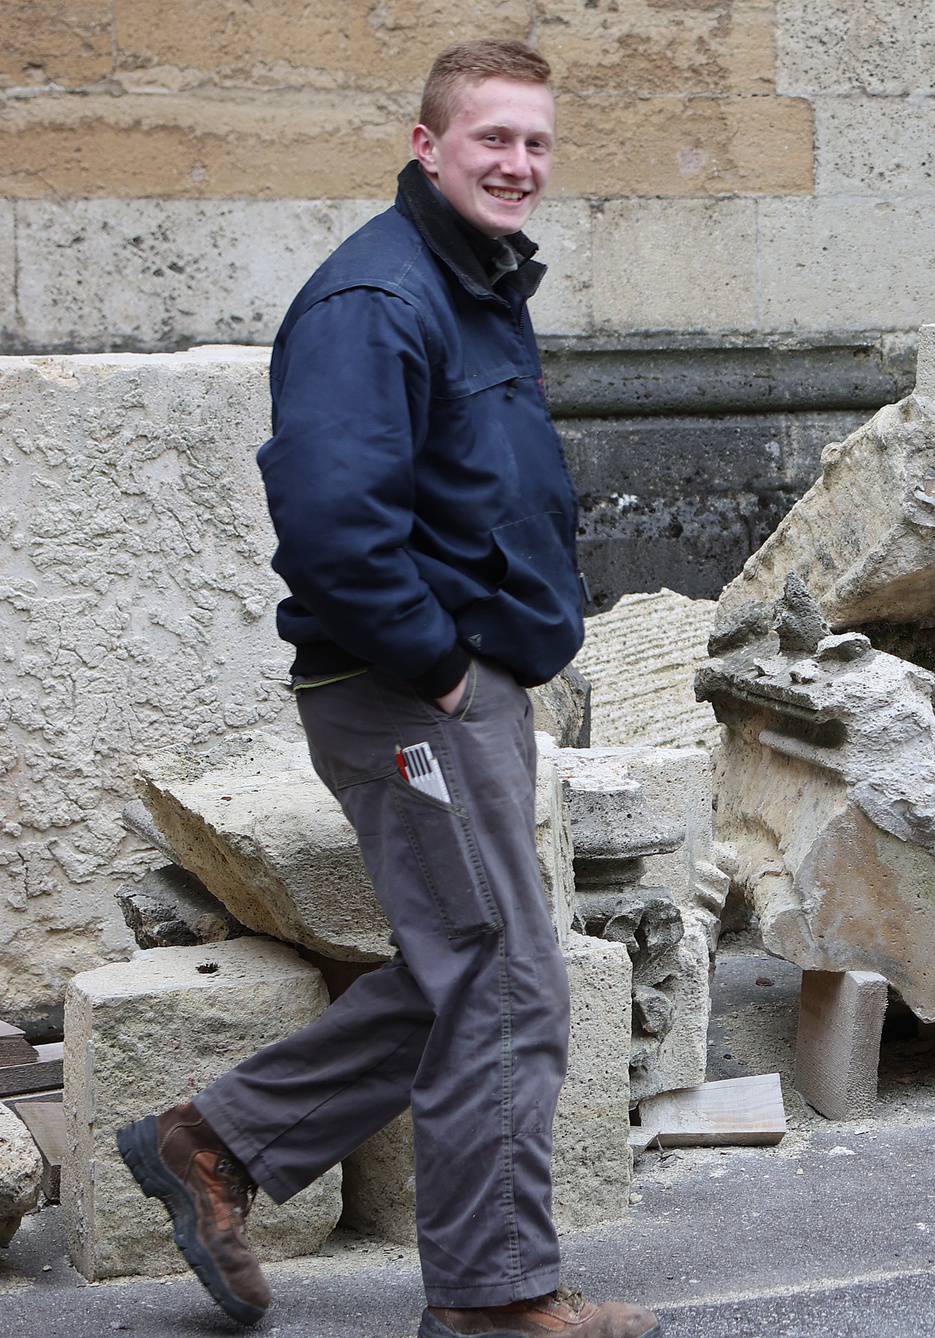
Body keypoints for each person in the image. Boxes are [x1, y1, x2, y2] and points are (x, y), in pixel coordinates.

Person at [113, 40, 660, 1338]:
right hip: (407, 687)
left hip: (465, 683)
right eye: (493, 141)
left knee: (473, 967)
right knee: (506, 980)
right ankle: (490, 1297)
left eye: (537, 143)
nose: (519, 164)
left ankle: (215, 1140)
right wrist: (446, 668)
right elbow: (330, 522)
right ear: (428, 145)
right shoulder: (377, 295)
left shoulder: (473, 285)